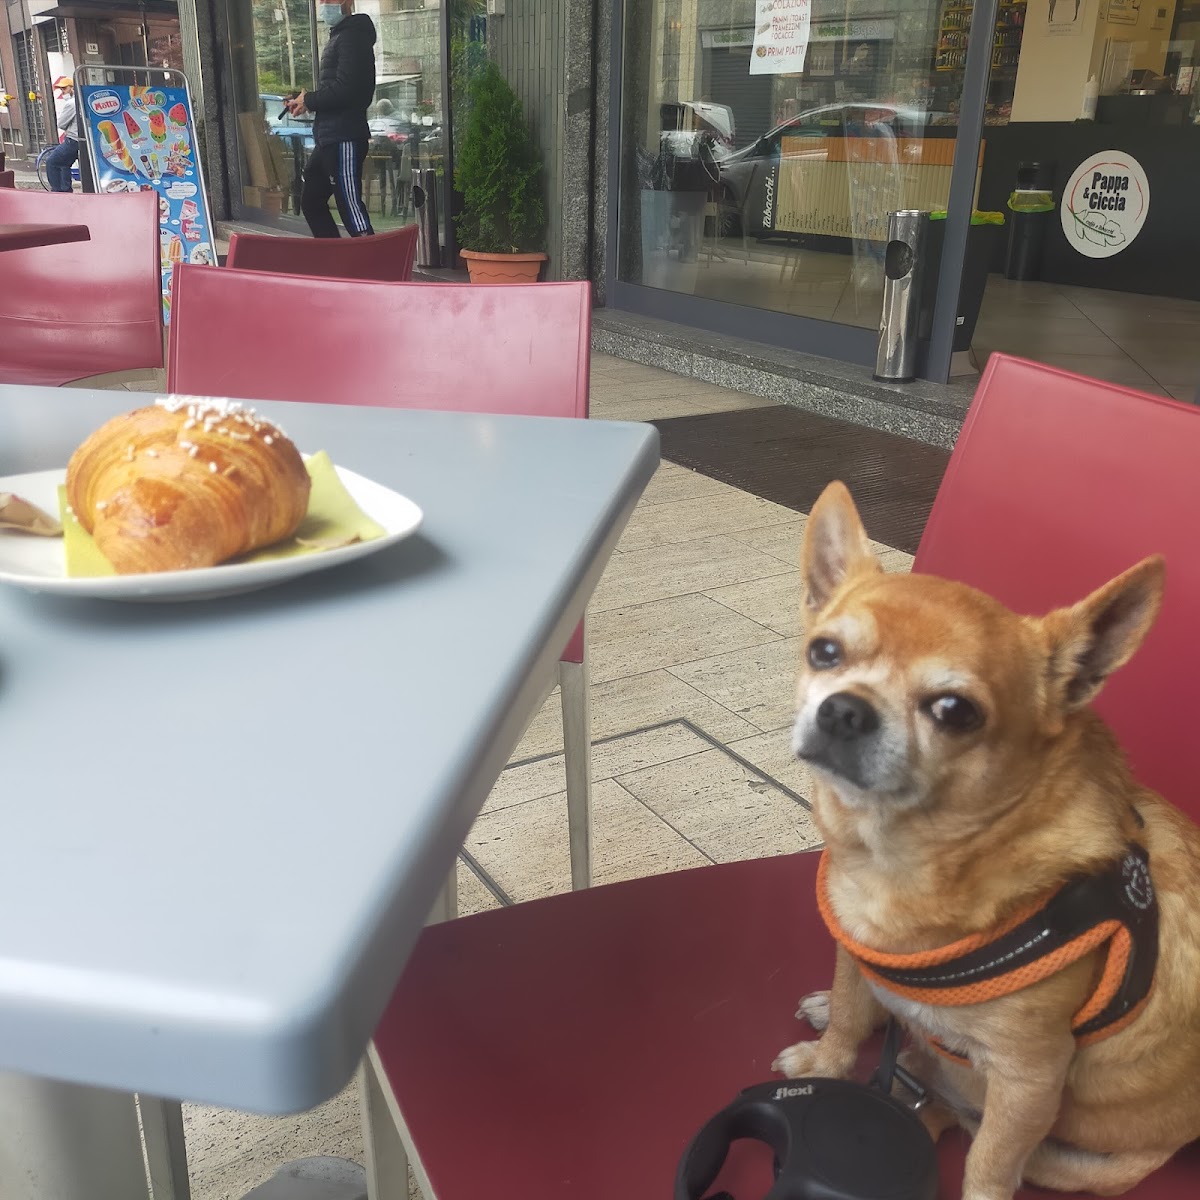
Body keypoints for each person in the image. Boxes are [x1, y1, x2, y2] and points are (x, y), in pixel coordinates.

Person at [285, 0, 376, 238]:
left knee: (350, 207)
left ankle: (373, 260)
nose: (323, 4)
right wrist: (305, 101)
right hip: (329, 136)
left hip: (344, 136)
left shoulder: (353, 36)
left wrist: (309, 100)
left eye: (329, 0)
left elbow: (348, 90)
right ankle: (335, 257)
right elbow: (336, 88)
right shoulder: (340, 35)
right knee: (312, 201)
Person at [46, 78, 80, 194]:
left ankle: (58, 191)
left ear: (73, 88)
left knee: (52, 162)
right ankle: (65, 190)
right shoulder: (80, 101)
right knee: (64, 164)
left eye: (65, 88)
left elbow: (61, 124)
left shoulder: (71, 104)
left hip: (72, 140)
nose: (63, 92)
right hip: (79, 141)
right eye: (61, 89)